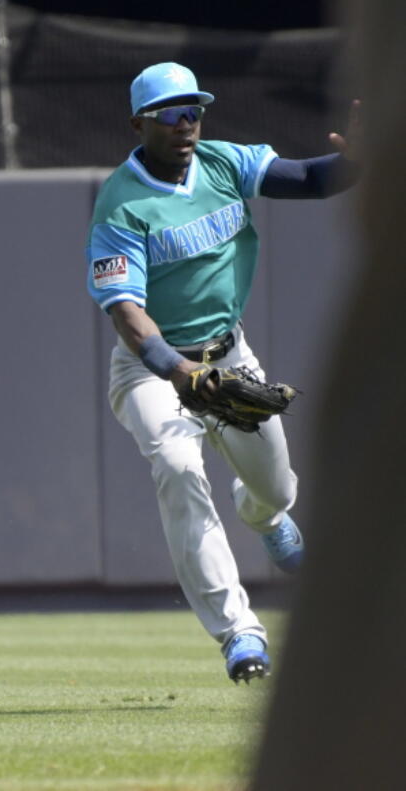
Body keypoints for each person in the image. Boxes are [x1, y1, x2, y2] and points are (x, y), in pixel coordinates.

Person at [86, 63, 360, 682]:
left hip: (230, 357)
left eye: (194, 111)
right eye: (171, 114)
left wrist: (359, 162)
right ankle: (240, 632)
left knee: (278, 491)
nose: (187, 125)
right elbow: (127, 314)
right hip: (150, 370)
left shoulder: (222, 163)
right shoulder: (120, 202)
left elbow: (310, 180)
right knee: (179, 469)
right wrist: (179, 373)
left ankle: (262, 517)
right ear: (140, 123)